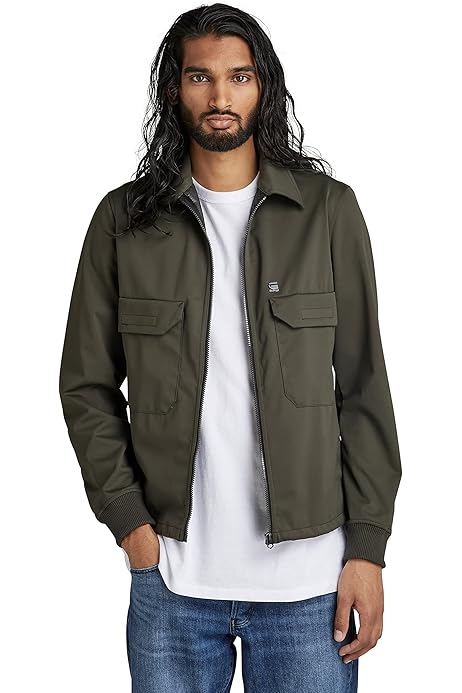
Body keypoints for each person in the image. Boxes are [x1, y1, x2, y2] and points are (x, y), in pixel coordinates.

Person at [59, 4, 402, 692]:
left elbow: (365, 388)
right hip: (172, 584)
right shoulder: (123, 222)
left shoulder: (327, 212)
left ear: (263, 87)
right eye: (201, 77)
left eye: (239, 76)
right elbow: (86, 386)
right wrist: (130, 524)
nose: (220, 96)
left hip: (310, 585)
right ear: (174, 90)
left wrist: (368, 549)